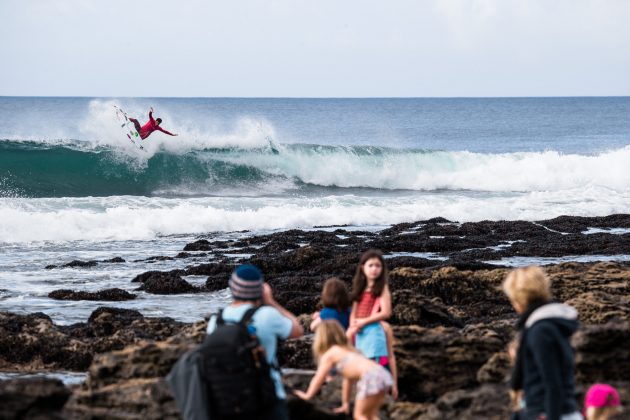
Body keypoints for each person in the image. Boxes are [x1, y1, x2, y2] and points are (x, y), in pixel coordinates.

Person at [206, 264, 304, 420]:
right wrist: (271, 302)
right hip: (267, 397)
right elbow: (297, 330)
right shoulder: (268, 315)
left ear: (232, 288)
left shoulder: (216, 321)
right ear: (260, 290)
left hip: (227, 399)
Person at [503, 266, 582, 420]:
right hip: (556, 410)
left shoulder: (541, 331)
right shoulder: (550, 324)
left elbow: (553, 384)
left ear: (519, 298)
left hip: (549, 413)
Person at [294, 320, 393, 420]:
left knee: (359, 415)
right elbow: (348, 379)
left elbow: (319, 377)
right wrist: (345, 403)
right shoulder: (350, 350)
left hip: (371, 376)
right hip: (382, 373)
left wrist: (308, 395)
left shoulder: (331, 354)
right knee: (371, 415)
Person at [344, 249, 398, 408]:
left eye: (378, 266)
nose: (374, 269)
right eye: (371, 265)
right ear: (362, 268)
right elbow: (353, 314)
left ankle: (386, 390)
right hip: (358, 333)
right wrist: (354, 325)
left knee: (377, 363)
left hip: (373, 331)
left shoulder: (382, 288)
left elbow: (386, 312)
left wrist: (363, 322)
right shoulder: (359, 289)